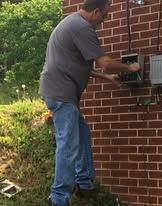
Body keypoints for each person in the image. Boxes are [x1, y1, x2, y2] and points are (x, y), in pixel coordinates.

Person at [39, 0, 140, 205]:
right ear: (95, 12)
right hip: (61, 93)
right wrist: (129, 68)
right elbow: (105, 63)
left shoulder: (72, 23)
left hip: (61, 92)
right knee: (68, 144)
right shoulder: (82, 27)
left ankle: (84, 184)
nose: (105, 20)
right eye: (105, 15)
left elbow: (80, 65)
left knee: (82, 135)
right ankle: (59, 198)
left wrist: (108, 79)